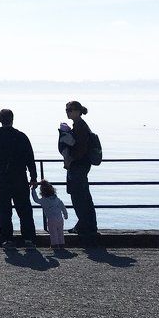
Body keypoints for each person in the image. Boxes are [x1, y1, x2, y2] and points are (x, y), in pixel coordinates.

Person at [0, 108, 37, 247]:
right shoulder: (21, 136)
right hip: (20, 177)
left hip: (1, 179)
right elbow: (30, 158)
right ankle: (29, 239)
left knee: (4, 210)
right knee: (24, 210)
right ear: (12, 119)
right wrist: (33, 176)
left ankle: (7, 238)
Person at [65, 100, 98, 235]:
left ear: (78, 111)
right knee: (82, 197)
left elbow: (81, 149)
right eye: (66, 109)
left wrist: (70, 158)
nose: (68, 112)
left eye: (70, 109)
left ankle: (86, 226)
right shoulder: (78, 125)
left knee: (79, 197)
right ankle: (86, 225)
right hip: (80, 166)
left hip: (78, 166)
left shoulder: (81, 127)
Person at [32, 180, 69, 251]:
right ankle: (61, 244)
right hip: (60, 218)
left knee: (53, 233)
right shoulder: (56, 199)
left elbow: (36, 200)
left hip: (51, 219)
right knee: (60, 232)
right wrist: (65, 214)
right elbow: (62, 207)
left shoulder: (43, 200)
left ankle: (54, 245)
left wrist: (33, 190)